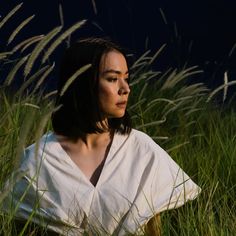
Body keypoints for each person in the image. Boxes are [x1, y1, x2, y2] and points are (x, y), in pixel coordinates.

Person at [4, 37, 201, 235]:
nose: (125, 89)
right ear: (82, 83)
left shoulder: (142, 150)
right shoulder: (40, 159)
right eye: (113, 79)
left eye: (126, 77)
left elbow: (153, 230)